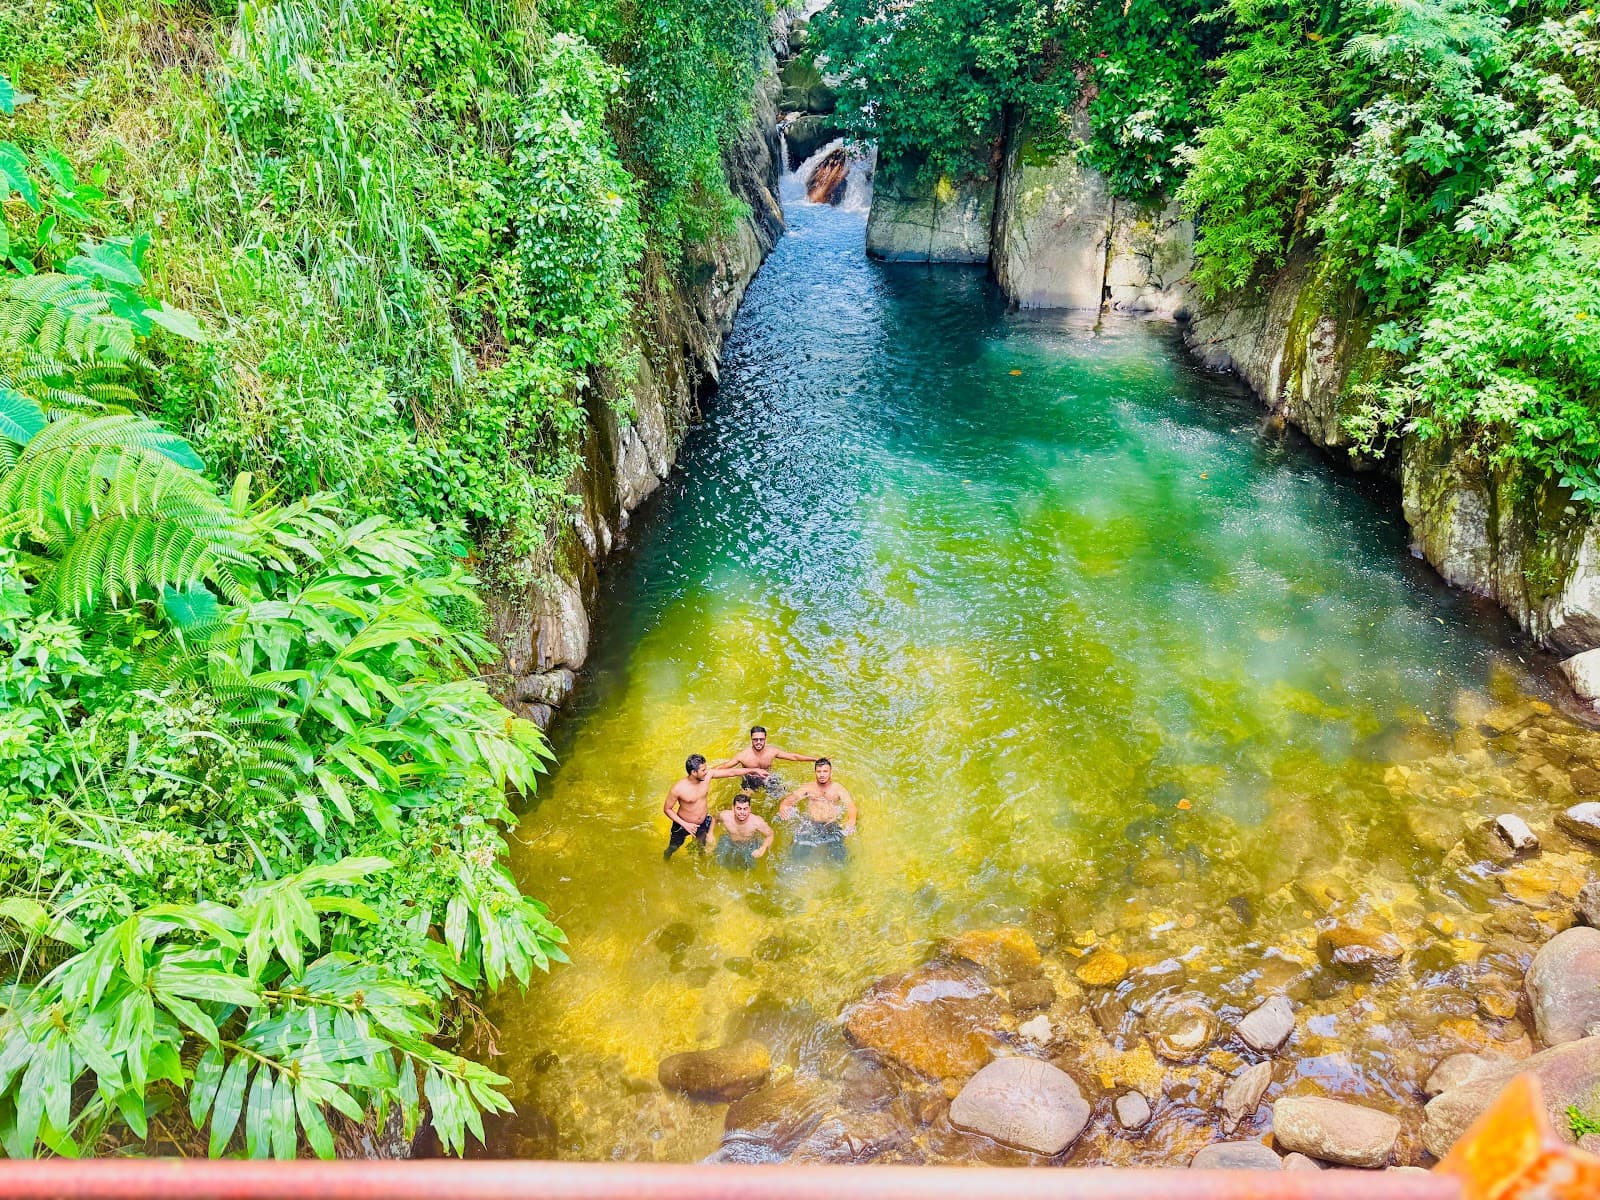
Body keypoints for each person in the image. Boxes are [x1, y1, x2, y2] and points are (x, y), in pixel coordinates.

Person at [663, 754, 765, 860]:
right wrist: (685, 824)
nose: (706, 772)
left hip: (702, 823)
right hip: (682, 825)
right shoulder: (678, 788)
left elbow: (732, 772)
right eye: (703, 770)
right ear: (693, 772)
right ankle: (666, 857)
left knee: (701, 847)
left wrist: (755, 770)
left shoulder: (707, 776)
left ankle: (699, 863)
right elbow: (667, 809)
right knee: (673, 847)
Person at [777, 758, 857, 862]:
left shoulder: (838, 789)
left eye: (825, 771)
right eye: (819, 771)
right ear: (815, 772)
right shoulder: (808, 787)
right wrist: (783, 806)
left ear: (830, 772)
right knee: (796, 855)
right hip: (811, 823)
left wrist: (852, 820)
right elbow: (790, 800)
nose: (822, 774)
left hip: (831, 824)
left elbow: (851, 806)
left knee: (839, 857)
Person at [714, 725, 822, 792]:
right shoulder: (743, 755)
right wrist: (707, 773)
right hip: (750, 781)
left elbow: (793, 756)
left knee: (784, 794)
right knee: (743, 804)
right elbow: (725, 766)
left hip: (768, 778)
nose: (758, 742)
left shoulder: (772, 751)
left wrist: (815, 759)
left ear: (765, 739)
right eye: (755, 739)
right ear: (751, 739)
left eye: (761, 739)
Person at [712, 792, 774, 869]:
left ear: (750, 809)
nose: (742, 812)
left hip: (750, 845)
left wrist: (762, 848)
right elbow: (714, 818)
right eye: (739, 808)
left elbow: (770, 835)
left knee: (750, 869)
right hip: (730, 841)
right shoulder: (725, 816)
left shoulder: (757, 822)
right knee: (717, 863)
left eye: (745, 809)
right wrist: (710, 834)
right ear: (733, 808)